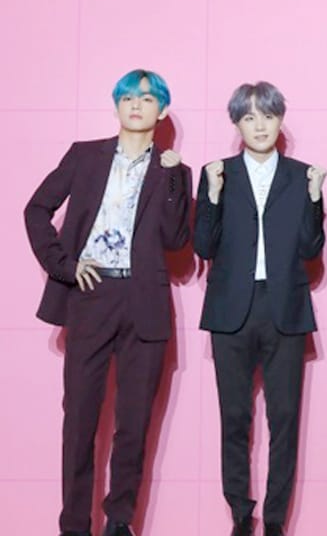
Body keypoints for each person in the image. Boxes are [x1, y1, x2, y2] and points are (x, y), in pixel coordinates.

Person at [24, 69, 191, 536]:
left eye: (147, 98)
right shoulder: (85, 156)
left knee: (134, 422)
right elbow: (36, 209)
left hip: (144, 301)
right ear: (117, 106)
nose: (136, 105)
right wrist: (64, 264)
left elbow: (176, 239)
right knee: (80, 418)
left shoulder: (174, 170)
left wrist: (174, 178)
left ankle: (120, 521)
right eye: (128, 98)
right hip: (92, 296)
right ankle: (75, 524)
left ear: (161, 110)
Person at [194, 81, 327, 536]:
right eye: (249, 117)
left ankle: (274, 520)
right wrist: (212, 195)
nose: (260, 126)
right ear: (237, 124)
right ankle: (239, 513)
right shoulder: (218, 173)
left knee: (285, 420)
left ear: (280, 120)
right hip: (231, 310)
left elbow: (310, 249)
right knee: (234, 417)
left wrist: (315, 198)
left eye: (268, 116)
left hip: (284, 308)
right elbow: (203, 245)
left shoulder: (302, 175)